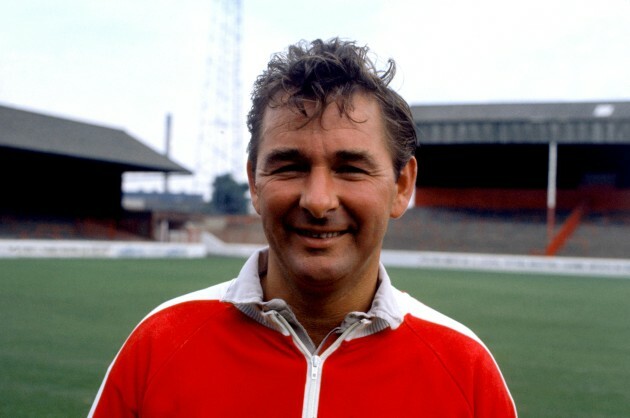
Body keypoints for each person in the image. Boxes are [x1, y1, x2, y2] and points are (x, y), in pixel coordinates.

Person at [89, 38, 517, 417]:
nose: (317, 200)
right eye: (289, 166)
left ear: (402, 186)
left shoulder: (467, 371)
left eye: (350, 168)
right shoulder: (159, 345)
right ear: (254, 182)